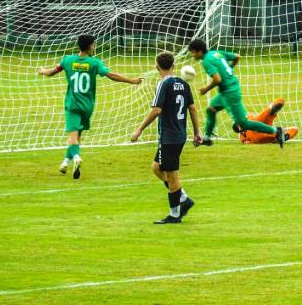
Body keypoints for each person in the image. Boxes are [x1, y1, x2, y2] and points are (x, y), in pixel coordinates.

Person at [38, 34, 143, 179]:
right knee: (77, 136)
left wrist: (43, 71)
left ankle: (76, 157)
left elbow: (52, 72)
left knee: (72, 136)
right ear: (89, 46)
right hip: (87, 106)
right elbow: (111, 75)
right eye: (93, 44)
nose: (94, 47)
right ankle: (65, 162)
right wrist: (132, 80)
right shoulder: (94, 63)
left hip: (72, 104)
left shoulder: (67, 60)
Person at [131, 52, 201, 224]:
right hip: (179, 135)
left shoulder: (163, 83)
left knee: (172, 176)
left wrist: (138, 130)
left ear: (157, 67)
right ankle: (183, 198)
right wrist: (197, 132)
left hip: (169, 137)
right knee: (156, 168)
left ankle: (175, 214)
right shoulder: (183, 83)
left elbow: (156, 110)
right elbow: (192, 108)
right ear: (173, 66)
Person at [188, 39, 285, 148]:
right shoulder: (216, 53)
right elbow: (237, 56)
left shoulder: (206, 61)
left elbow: (217, 79)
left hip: (230, 93)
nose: (192, 55)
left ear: (199, 51)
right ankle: (207, 138)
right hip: (227, 90)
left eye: (193, 52)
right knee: (211, 109)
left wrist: (206, 89)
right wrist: (229, 69)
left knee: (244, 124)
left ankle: (276, 131)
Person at [234, 98, 299, 144]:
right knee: (294, 129)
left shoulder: (242, 137)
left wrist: (250, 142)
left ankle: (281, 136)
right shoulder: (248, 118)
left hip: (259, 136)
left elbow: (245, 142)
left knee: (292, 129)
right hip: (260, 127)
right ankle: (282, 137)